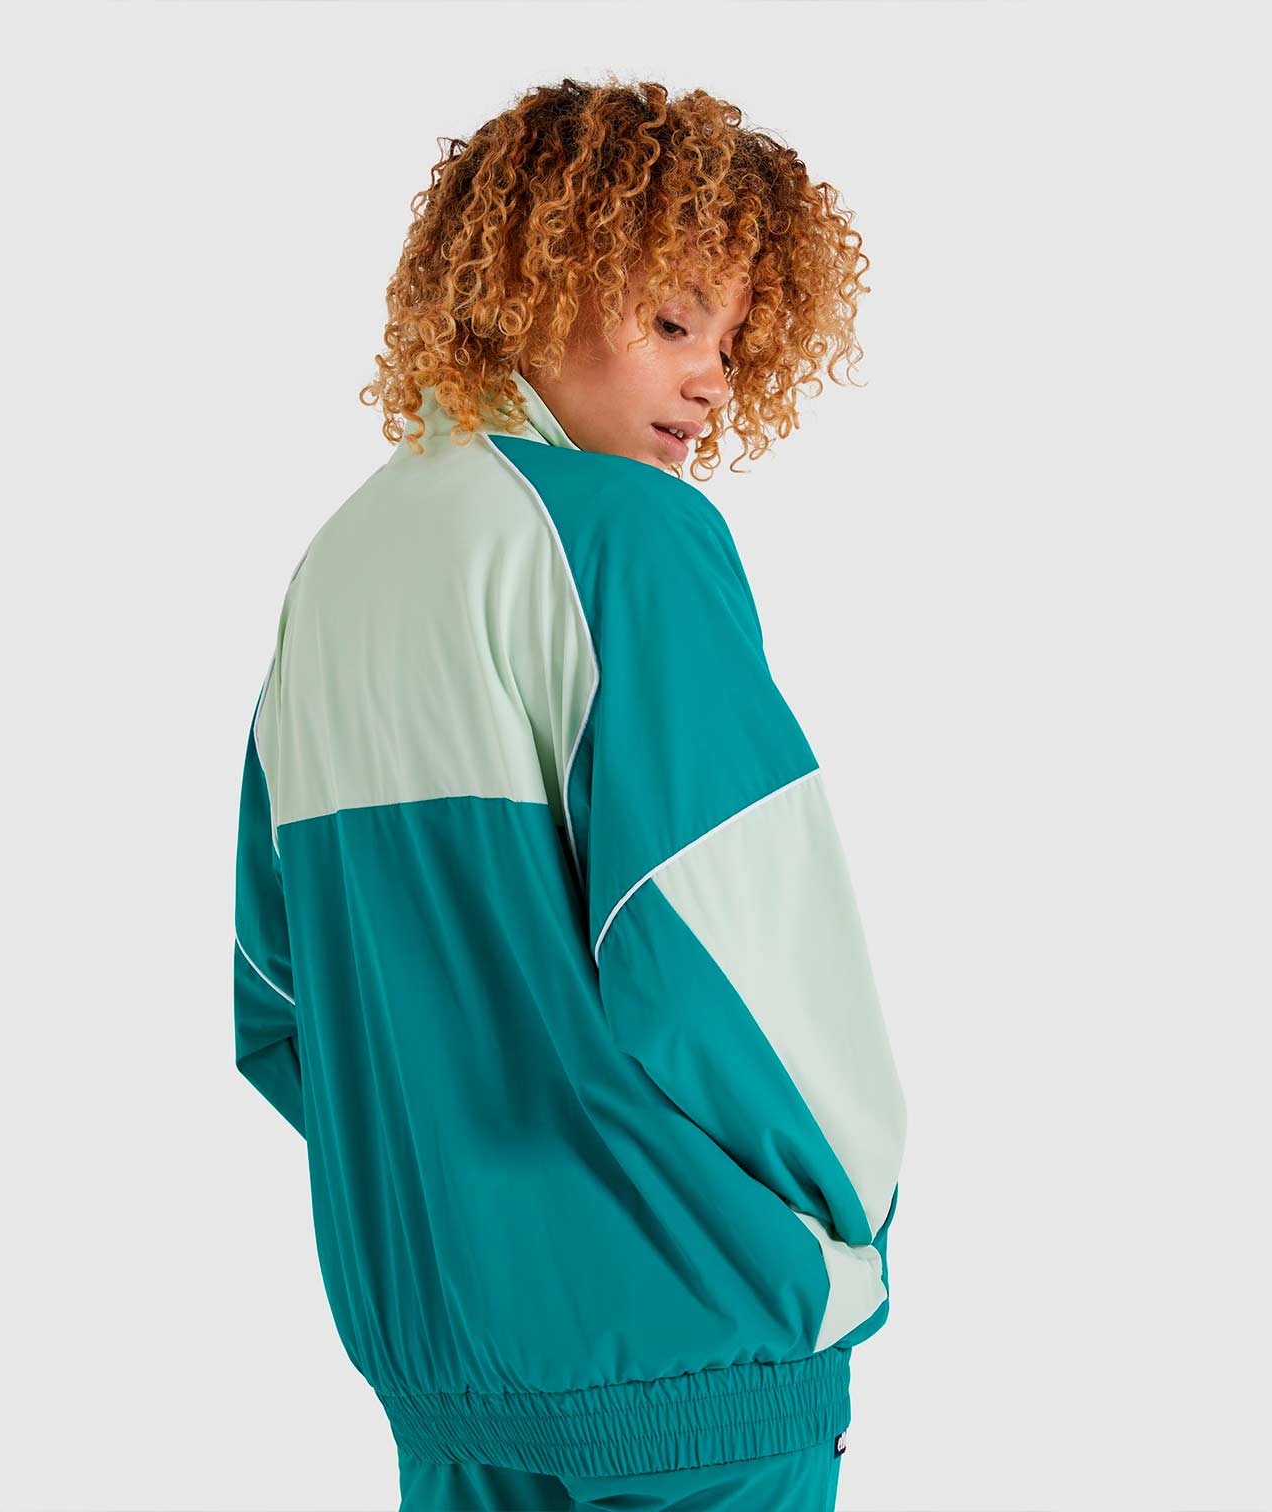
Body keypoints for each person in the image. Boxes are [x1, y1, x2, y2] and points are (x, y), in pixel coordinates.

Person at [232, 76, 908, 1512]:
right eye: (672, 323)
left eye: (730, 340)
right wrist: (830, 1261)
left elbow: (281, 1001)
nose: (713, 381)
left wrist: (469, 1207)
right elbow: (736, 960)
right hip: (695, 1355)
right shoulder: (630, 538)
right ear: (530, 283)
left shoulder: (335, 573)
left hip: (449, 1369)